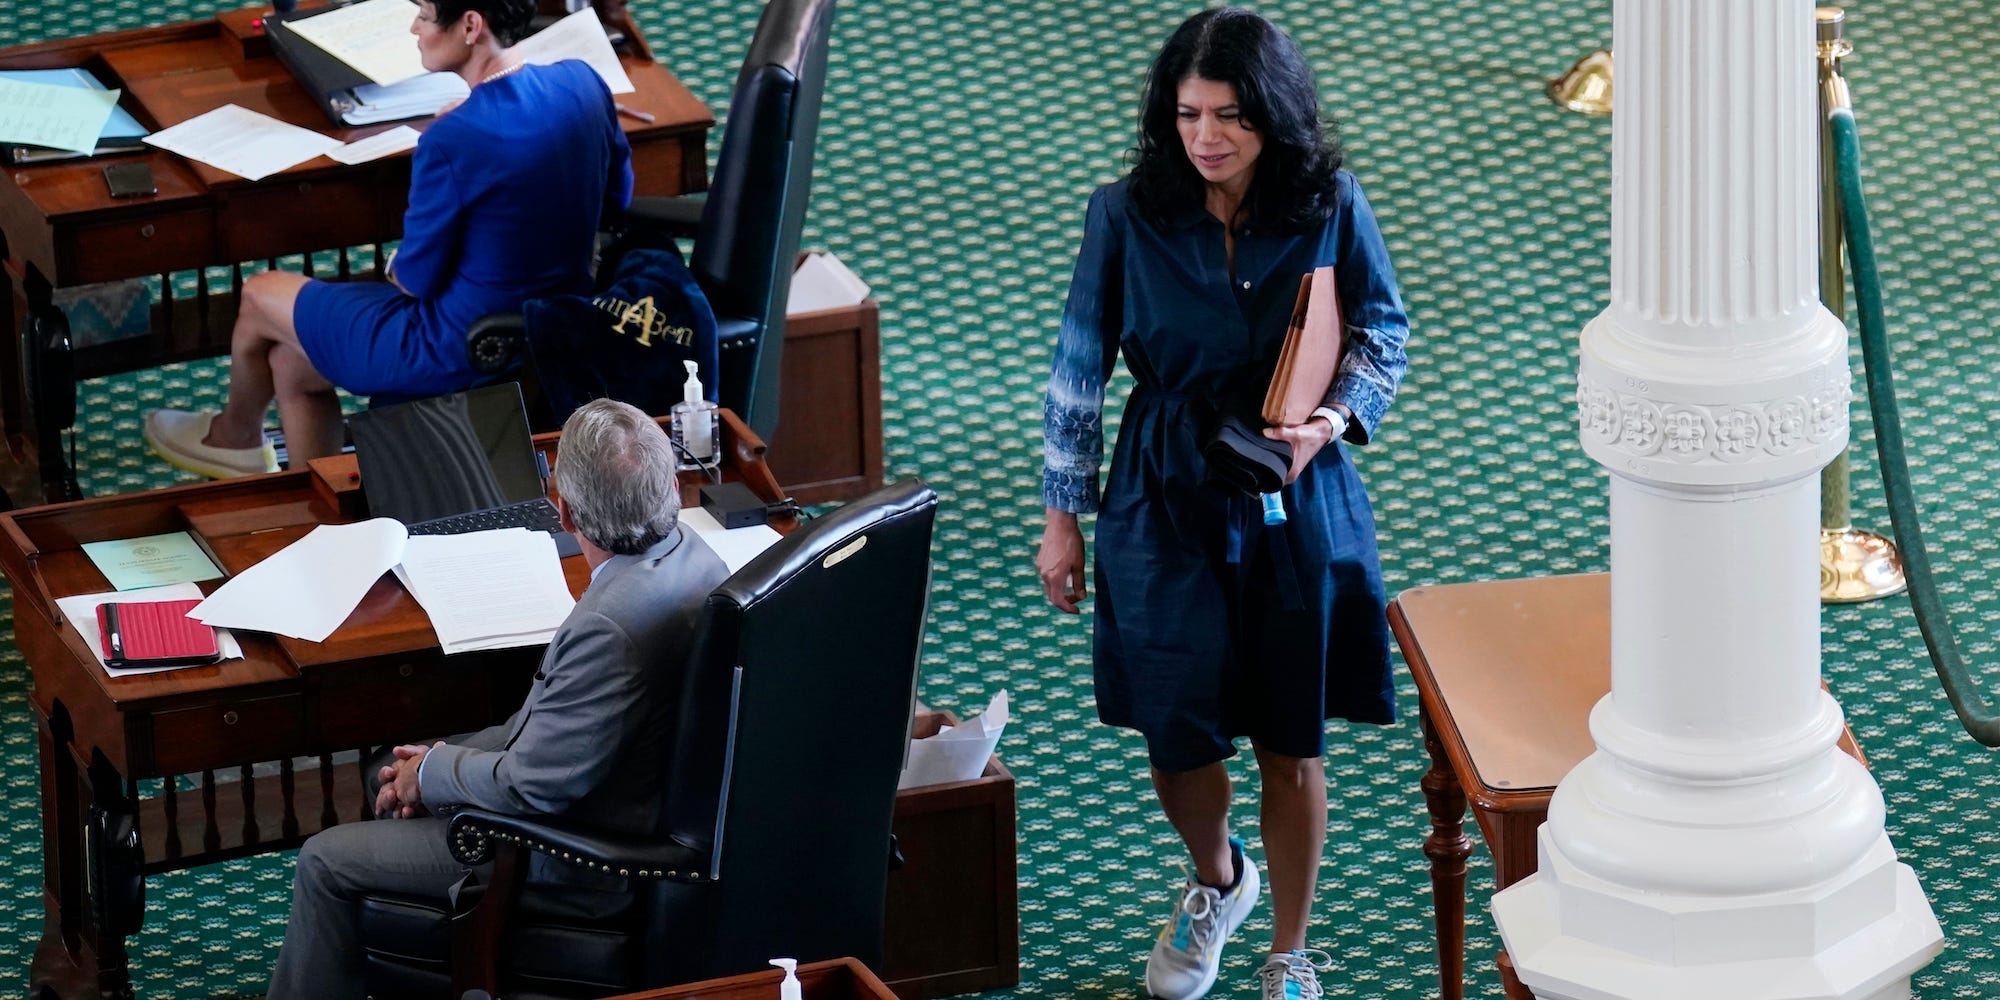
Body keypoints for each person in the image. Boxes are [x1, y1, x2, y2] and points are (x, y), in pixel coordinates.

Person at [1035, 9, 1410, 999]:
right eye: (1187, 114)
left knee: (1292, 739)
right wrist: (1060, 517)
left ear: (1274, 120)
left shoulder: (1328, 202)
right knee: (1175, 727)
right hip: (1163, 488)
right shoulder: (1122, 212)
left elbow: (1382, 334)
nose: (1204, 137)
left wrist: (1326, 423)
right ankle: (1217, 878)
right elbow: (1078, 368)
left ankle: (1289, 950)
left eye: (1229, 118)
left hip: (1292, 488)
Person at [265, 398, 729, 998]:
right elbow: (551, 730)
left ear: (562, 511)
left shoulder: (611, 623)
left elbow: (535, 785)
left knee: (325, 861)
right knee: (386, 767)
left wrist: (432, 774)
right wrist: (432, 762)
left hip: (573, 856)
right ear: (669, 485)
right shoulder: (695, 558)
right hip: (615, 800)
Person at [145, 0, 634, 477]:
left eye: (422, 14)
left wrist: (396, 261)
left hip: (456, 343)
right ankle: (327, 510)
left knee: (257, 295)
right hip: (559, 319)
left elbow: (415, 280)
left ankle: (235, 438)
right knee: (291, 362)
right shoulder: (581, 82)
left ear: (469, 25)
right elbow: (618, 199)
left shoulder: (453, 137)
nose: (413, 29)